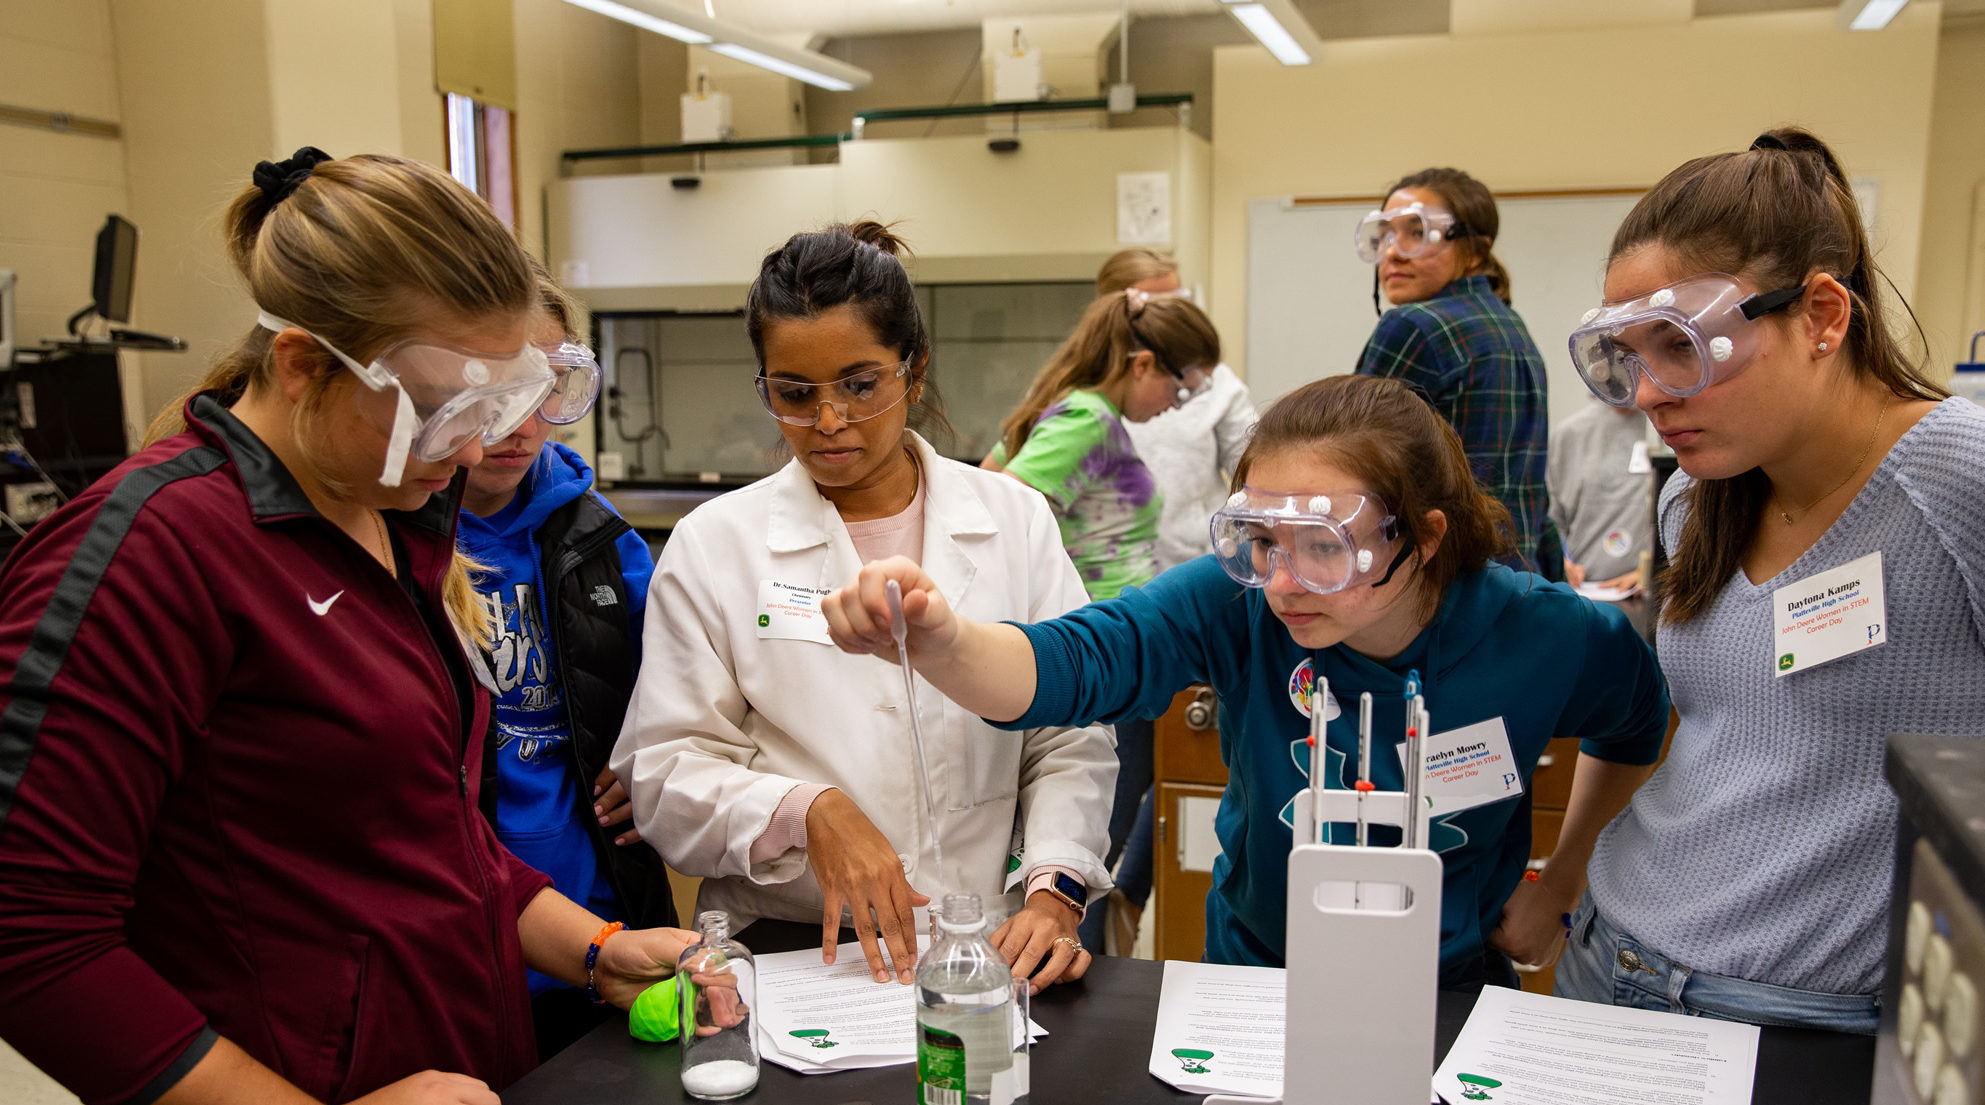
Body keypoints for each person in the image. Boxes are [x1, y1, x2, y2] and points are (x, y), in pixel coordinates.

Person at [0, 148, 692, 1105]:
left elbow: (432, 836)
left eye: (498, 405)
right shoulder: (152, 553)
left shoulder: (394, 516)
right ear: (300, 366)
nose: (475, 445)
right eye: (442, 409)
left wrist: (592, 949)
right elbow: (32, 938)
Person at [826, 373, 1670, 988]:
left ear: (1422, 534)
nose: (1282, 581)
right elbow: (1079, 662)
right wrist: (940, 641)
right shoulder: (1239, 604)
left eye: (1323, 545)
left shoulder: (1548, 633)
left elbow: (1634, 726)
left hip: (1443, 985)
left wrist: (1561, 879)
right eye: (1260, 539)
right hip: (1254, 975)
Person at [612, 222, 1114, 996]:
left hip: (983, 947)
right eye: (794, 393)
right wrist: (803, 809)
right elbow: (664, 774)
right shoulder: (716, 545)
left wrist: (1056, 887)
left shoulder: (1012, 519)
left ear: (913, 372)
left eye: (858, 384)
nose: (828, 422)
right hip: (793, 951)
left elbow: (1068, 732)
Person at [1558, 128, 1985, 1033]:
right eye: (1626, 356)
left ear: (1823, 316)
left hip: (1805, 1017)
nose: (1647, 393)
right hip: (1608, 955)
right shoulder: (1695, 498)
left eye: (1680, 346)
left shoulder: (1959, 476)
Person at [458, 266, 680, 1060]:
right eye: (494, 390)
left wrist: (649, 756)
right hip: (461, 930)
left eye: (550, 386)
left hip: (598, 910)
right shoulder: (396, 539)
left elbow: (680, 687)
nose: (523, 421)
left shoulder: (603, 538)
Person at [982, 287, 1222, 953]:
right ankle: (1058, 952)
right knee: (1088, 837)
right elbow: (1002, 509)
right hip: (1101, 652)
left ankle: (1088, 931)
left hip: (1113, 644)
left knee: (1108, 823)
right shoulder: (1088, 416)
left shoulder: (1088, 415)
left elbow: (991, 476)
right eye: (1179, 384)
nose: (1176, 402)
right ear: (1141, 363)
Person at [1095, 250, 1259, 952]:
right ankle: (1101, 897)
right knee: (1116, 768)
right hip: (1111, 601)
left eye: (1174, 299)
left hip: (1195, 595)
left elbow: (1259, 470)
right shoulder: (1090, 395)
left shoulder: (1217, 387)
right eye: (1145, 302)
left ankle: (1126, 895)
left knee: (1182, 767)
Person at [1352, 167, 1563, 581]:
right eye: (1384, 235)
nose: (1393, 252)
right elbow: (1529, 493)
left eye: (1416, 233)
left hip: (1441, 583)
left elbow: (1349, 468)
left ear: (1476, 250)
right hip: (1515, 584)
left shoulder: (1413, 327)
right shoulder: (1510, 326)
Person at [1547, 399, 1653, 592]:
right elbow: (1550, 521)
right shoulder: (1570, 433)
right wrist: (1560, 563)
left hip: (1649, 594)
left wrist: (1651, 573)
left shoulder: (1670, 430)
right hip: (1584, 592)